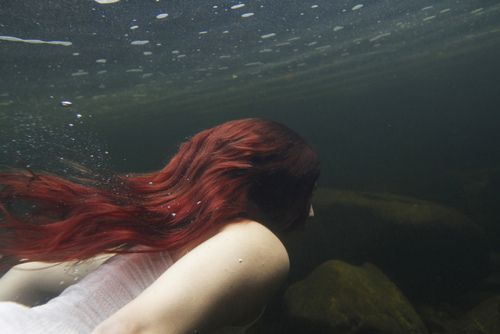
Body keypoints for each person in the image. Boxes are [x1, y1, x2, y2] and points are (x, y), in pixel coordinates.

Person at [0, 118, 320, 334]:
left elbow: (25, 272)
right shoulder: (257, 243)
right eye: (306, 193)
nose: (312, 211)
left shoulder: (166, 239)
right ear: (275, 189)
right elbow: (129, 331)